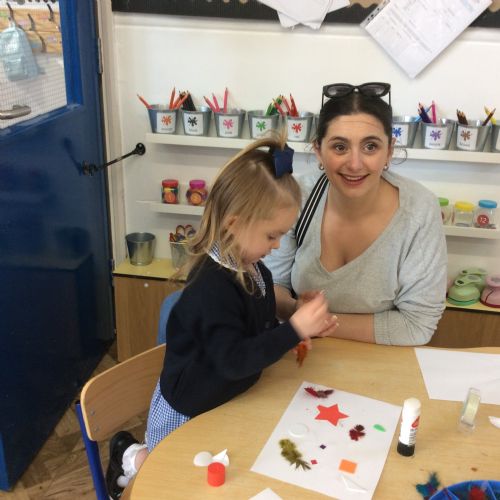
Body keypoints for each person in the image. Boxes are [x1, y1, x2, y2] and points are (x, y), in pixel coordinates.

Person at [105, 132, 339, 499]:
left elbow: (256, 320)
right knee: (175, 477)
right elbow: (233, 359)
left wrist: (294, 314)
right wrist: (293, 329)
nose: (277, 245)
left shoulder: (252, 267)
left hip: (228, 397)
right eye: (271, 235)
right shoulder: (210, 287)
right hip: (191, 405)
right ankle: (130, 457)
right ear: (233, 223)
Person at [264, 82, 447, 346]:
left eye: (370, 146)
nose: (354, 164)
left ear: (389, 151)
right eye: (340, 147)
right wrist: (294, 310)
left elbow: (417, 325)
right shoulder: (296, 196)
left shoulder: (419, 210)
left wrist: (316, 322)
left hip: (380, 360)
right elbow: (270, 286)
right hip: (301, 353)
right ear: (318, 151)